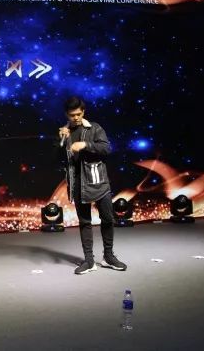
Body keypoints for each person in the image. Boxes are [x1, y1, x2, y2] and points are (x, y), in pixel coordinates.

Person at [58, 96, 127, 275]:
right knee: (84, 222)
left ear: (83, 112)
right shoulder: (65, 132)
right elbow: (59, 158)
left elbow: (106, 148)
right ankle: (89, 261)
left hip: (98, 181)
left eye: (78, 114)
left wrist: (85, 144)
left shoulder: (94, 128)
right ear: (66, 114)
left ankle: (108, 256)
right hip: (78, 182)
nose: (76, 118)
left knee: (108, 218)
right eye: (72, 115)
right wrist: (61, 141)